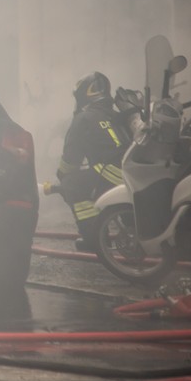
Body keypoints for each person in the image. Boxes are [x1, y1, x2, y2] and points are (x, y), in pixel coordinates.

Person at [57, 72, 128, 251]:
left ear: (83, 95)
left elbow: (71, 157)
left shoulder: (83, 118)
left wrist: (62, 175)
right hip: (131, 173)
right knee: (92, 178)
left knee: (73, 185)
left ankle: (94, 239)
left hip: (112, 173)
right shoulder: (116, 115)